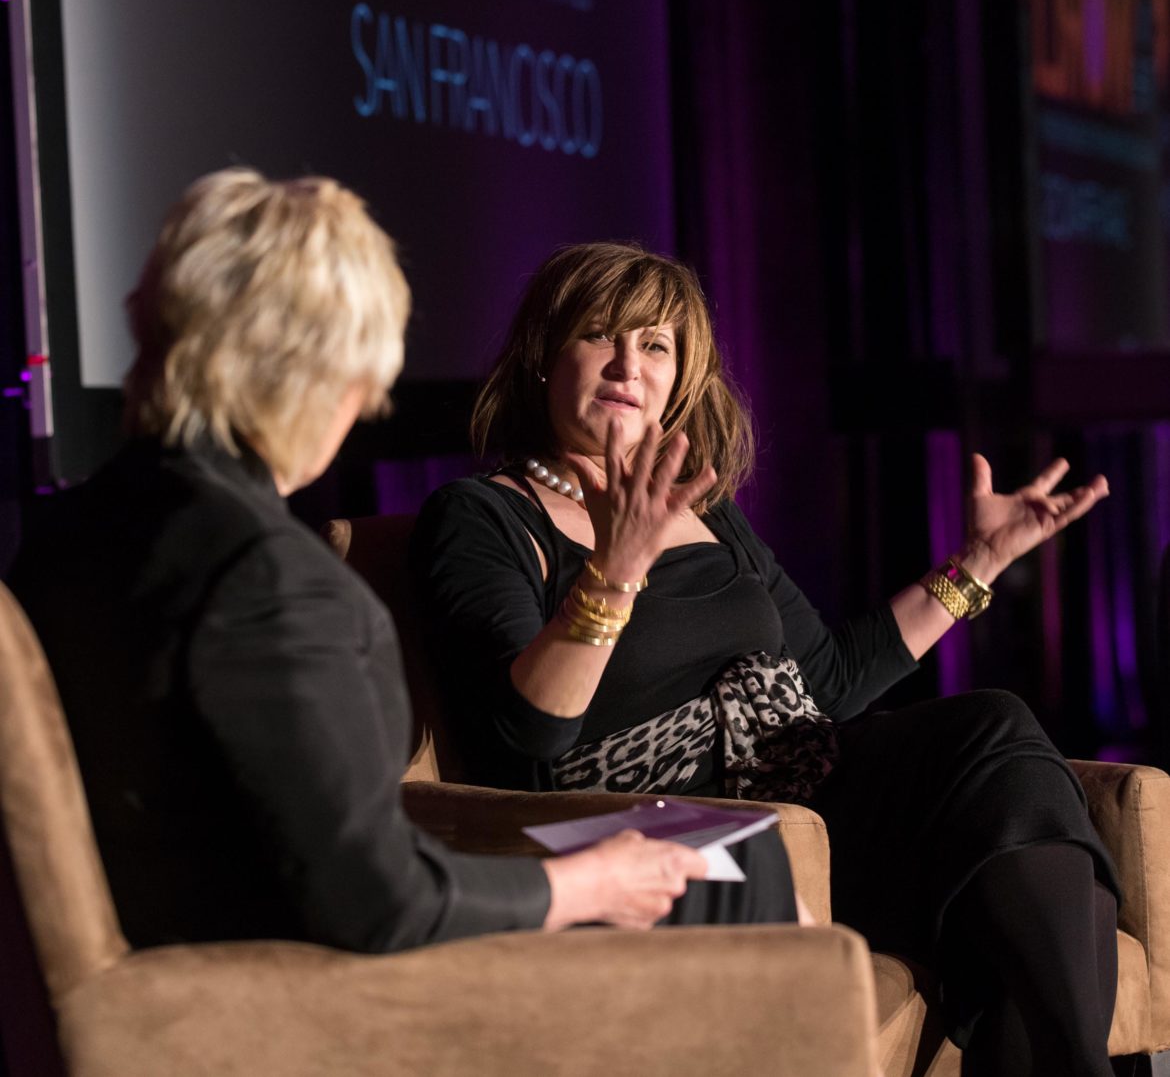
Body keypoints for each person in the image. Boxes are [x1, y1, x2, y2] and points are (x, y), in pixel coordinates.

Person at [412, 240, 1121, 1076]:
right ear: (543, 359)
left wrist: (980, 565)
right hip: (687, 826)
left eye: (656, 344)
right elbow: (526, 732)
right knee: (996, 880)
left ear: (679, 379)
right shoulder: (487, 516)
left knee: (995, 732)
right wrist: (617, 568)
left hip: (814, 788)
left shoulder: (709, 516)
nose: (627, 363)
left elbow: (830, 679)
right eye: (599, 335)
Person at [9, 174, 740, 955]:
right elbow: (374, 899)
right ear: (323, 372)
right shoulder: (264, 573)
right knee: (734, 886)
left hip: (163, 973)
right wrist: (590, 882)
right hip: (275, 996)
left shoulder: (67, 531)